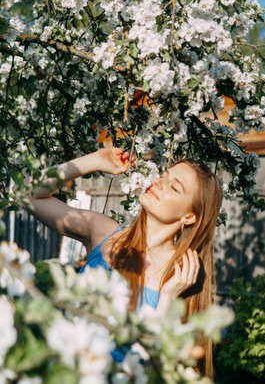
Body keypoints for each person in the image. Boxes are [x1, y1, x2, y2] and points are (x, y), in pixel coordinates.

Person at [26, 147, 222, 378]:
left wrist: (167, 298)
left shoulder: (180, 277)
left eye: (174, 186)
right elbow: (29, 194)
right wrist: (95, 160)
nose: (159, 182)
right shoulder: (105, 234)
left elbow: (155, 372)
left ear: (188, 216)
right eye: (164, 176)